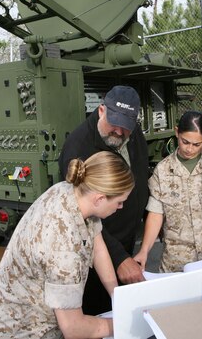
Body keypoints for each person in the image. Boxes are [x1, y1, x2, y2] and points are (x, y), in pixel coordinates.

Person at [0, 151, 134, 339]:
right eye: (120, 202)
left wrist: (117, 298)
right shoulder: (64, 246)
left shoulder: (71, 190)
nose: (120, 207)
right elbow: (74, 328)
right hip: (17, 332)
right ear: (99, 199)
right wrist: (124, 323)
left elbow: (98, 246)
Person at [58, 85, 149, 315]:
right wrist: (118, 258)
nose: (119, 132)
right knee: (96, 310)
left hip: (126, 242)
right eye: (114, 122)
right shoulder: (78, 148)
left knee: (117, 306)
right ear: (101, 110)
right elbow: (82, 216)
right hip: (96, 249)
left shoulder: (133, 133)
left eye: (126, 126)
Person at [134, 110, 202, 273]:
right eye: (185, 142)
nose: (190, 149)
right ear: (177, 132)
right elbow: (156, 214)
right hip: (176, 265)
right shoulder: (162, 170)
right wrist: (144, 251)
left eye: (197, 144)